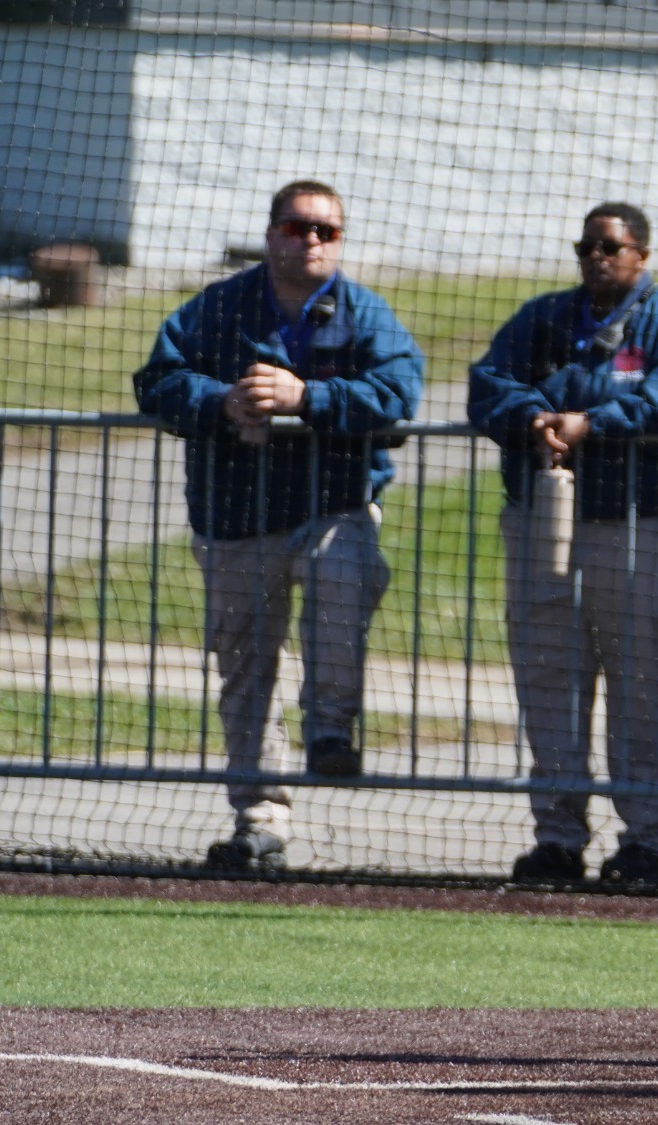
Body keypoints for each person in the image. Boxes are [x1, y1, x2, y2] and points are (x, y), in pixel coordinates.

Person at [134, 180, 423, 871]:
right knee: (244, 668)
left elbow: (399, 392)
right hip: (234, 517)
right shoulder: (219, 307)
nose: (313, 241)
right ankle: (259, 818)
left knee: (344, 582)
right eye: (299, 228)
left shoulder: (363, 312)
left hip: (332, 506)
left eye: (328, 231)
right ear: (271, 235)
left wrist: (308, 397)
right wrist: (221, 400)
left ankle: (330, 731)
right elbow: (157, 381)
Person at [467, 202, 658, 888]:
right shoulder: (544, 317)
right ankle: (556, 839)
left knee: (638, 683)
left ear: (642, 254)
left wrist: (592, 423)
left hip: (642, 524)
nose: (596, 257)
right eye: (587, 245)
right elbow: (487, 385)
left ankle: (646, 843)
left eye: (611, 246)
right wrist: (533, 418)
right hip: (544, 520)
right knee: (549, 678)